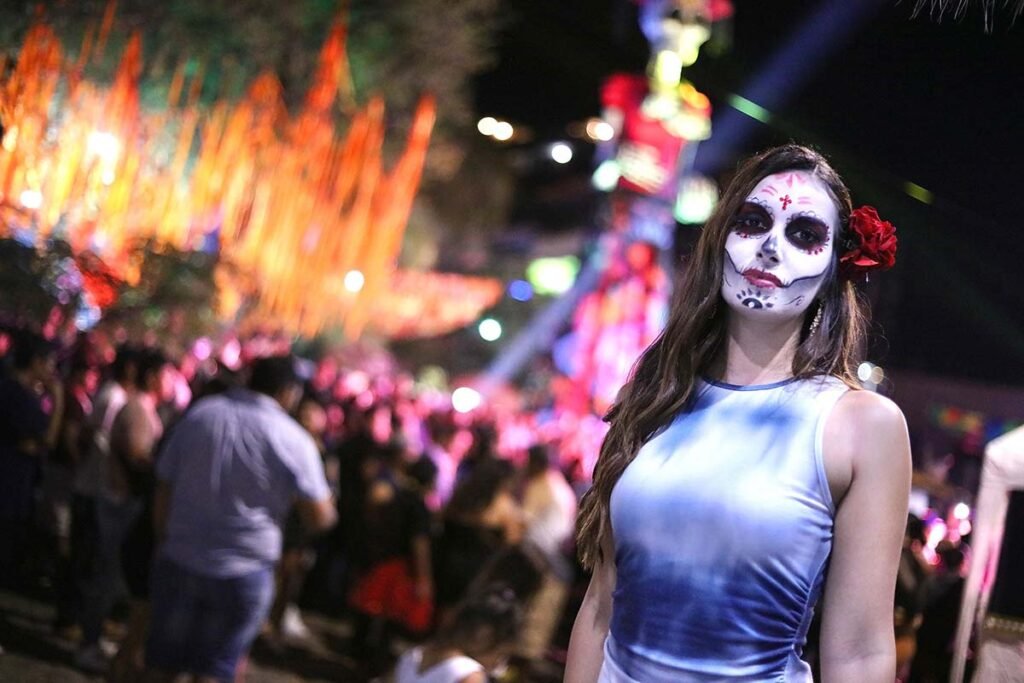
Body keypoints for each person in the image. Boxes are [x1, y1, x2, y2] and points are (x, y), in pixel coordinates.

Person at [566, 144, 912, 682]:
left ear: (832, 267)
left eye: (803, 233)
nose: (771, 247)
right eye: (753, 222)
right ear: (721, 236)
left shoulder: (864, 427)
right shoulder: (657, 394)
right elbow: (599, 608)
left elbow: (862, 651)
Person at [143, 355, 336, 683]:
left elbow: (164, 484)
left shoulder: (202, 414)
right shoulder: (293, 438)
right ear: (288, 392)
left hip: (181, 556)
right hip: (245, 569)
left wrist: (165, 537)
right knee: (216, 669)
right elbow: (321, 518)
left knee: (162, 666)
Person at [0, 331, 63, 589]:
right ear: (36, 362)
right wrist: (58, 400)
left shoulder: (17, 392)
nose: (52, 370)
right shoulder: (15, 394)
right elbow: (46, 440)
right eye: (49, 362)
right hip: (8, 490)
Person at [388, 583, 523, 683]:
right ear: (485, 635)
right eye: (501, 653)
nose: (498, 664)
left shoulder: (412, 656)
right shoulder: (468, 674)